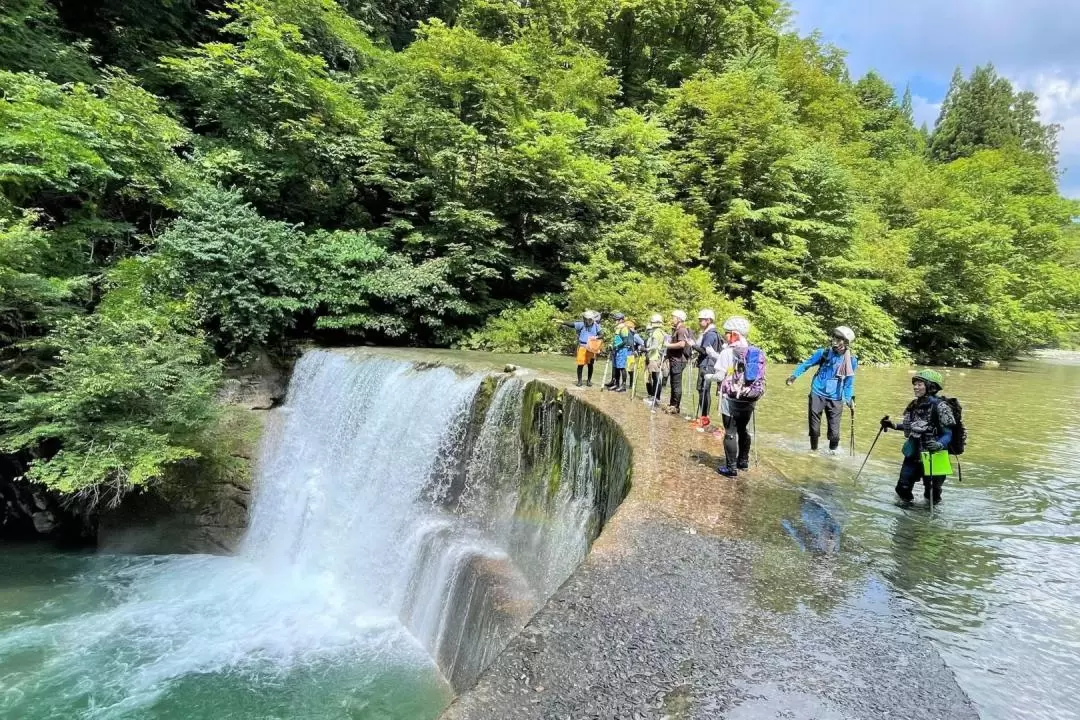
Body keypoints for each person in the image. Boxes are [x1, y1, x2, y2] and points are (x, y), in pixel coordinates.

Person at [880, 369, 956, 506]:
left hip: (935, 454)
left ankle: (926, 520)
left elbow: (948, 434)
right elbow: (912, 426)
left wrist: (939, 444)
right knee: (902, 488)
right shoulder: (913, 405)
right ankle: (907, 517)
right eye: (914, 384)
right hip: (913, 451)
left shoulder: (941, 406)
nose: (915, 387)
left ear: (931, 387)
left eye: (919, 384)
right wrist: (893, 425)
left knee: (932, 494)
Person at [705, 316, 764, 478]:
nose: (725, 335)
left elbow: (719, 376)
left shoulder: (727, 352)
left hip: (730, 398)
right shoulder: (755, 351)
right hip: (750, 397)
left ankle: (731, 468)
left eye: (727, 333)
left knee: (730, 431)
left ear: (735, 335)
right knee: (743, 428)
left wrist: (707, 377)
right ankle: (743, 461)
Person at [785, 326, 858, 454]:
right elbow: (806, 364)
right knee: (814, 429)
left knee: (835, 434)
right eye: (835, 337)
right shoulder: (823, 353)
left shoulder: (851, 360)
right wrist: (793, 376)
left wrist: (849, 399)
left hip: (836, 398)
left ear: (846, 343)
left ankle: (832, 454)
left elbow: (848, 383)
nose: (835, 340)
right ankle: (813, 452)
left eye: (839, 338)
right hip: (817, 393)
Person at [689, 309, 722, 431]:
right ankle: (703, 417)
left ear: (708, 321)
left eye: (701, 320)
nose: (699, 322)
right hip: (707, 364)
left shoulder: (710, 334)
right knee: (703, 389)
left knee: (703, 390)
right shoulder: (711, 333)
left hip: (707, 364)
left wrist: (692, 345)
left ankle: (704, 418)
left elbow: (704, 350)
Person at [558, 310, 604, 387]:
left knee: (590, 365)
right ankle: (579, 381)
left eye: (587, 319)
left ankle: (589, 381)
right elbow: (572, 324)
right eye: (585, 319)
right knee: (580, 364)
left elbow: (601, 335)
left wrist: (596, 337)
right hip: (582, 347)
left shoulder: (596, 326)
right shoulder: (582, 324)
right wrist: (562, 322)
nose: (586, 320)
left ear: (591, 319)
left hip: (592, 348)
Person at [663, 310, 693, 414]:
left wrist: (668, 345)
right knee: (673, 382)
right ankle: (672, 404)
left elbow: (681, 344)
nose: (672, 319)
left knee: (676, 384)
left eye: (673, 317)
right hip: (674, 359)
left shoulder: (682, 330)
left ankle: (675, 406)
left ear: (679, 318)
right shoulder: (676, 329)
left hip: (679, 360)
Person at [643, 314, 667, 406]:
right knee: (656, 378)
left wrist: (646, 349)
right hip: (658, 357)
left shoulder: (656, 333)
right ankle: (655, 397)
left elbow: (654, 346)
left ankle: (655, 398)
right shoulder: (661, 332)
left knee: (655, 378)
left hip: (654, 357)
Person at [604, 312, 631, 392]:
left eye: (617, 320)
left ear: (621, 320)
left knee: (621, 368)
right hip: (616, 350)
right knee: (616, 368)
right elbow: (617, 340)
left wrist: (617, 346)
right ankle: (616, 384)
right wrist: (612, 345)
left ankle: (623, 385)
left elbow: (625, 341)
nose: (615, 321)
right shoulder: (618, 328)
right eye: (615, 319)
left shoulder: (624, 328)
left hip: (622, 350)